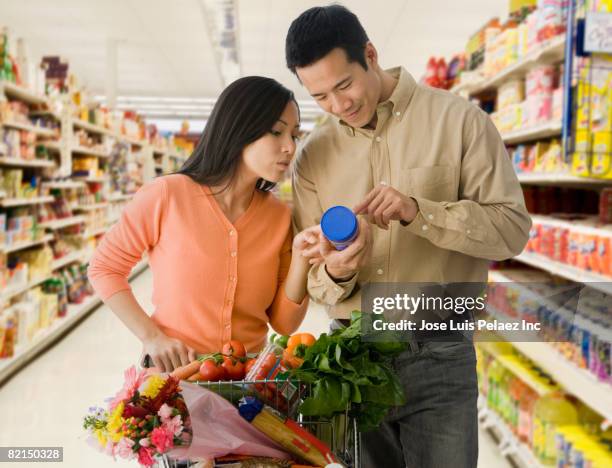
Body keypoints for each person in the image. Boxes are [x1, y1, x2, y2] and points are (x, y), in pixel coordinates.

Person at [285, 5, 531, 468]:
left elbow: (512, 231)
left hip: (438, 350)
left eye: (344, 85)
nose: (339, 106)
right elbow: (313, 276)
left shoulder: (460, 122)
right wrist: (336, 270)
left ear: (371, 55)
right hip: (350, 356)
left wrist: (421, 212)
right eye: (320, 97)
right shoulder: (312, 156)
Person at [88, 76, 321, 372]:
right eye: (276, 132)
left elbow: (284, 323)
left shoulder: (278, 217)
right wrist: (152, 337)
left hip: (249, 388)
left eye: (295, 135)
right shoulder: (167, 195)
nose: (290, 147)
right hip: (173, 382)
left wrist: (302, 258)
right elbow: (104, 268)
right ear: (239, 129)